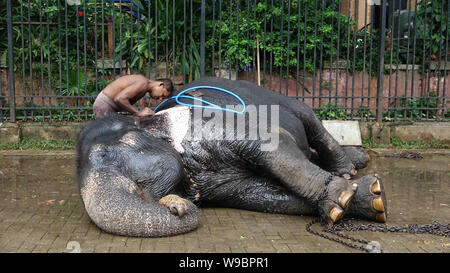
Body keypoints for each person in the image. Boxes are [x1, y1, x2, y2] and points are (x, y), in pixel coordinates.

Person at [93, 74, 173, 119]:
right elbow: (120, 98)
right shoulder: (143, 83)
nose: (160, 99)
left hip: (107, 105)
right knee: (107, 138)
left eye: (162, 98)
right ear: (160, 84)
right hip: (104, 105)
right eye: (162, 95)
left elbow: (125, 101)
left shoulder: (144, 86)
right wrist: (138, 112)